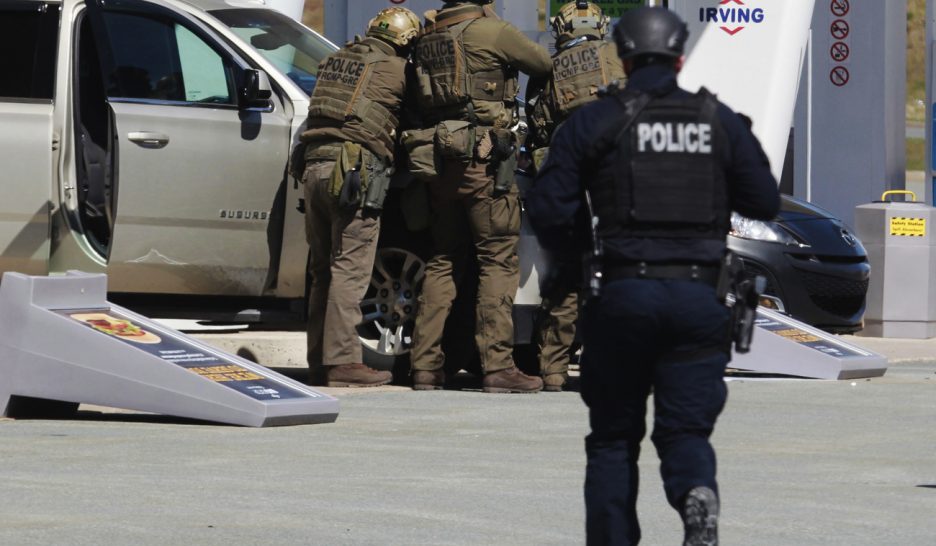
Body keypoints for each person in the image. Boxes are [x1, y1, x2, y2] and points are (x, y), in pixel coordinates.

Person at [526, 7, 780, 545]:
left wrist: (583, 255)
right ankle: (694, 494)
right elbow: (764, 200)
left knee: (614, 438)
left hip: (622, 294)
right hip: (699, 297)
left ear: (622, 55)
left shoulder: (594, 121)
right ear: (681, 57)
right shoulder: (717, 120)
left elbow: (548, 210)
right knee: (685, 429)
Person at [409, 0, 552, 393]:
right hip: (484, 160)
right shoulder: (492, 31)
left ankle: (424, 366)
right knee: (497, 261)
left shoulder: (428, 36)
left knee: (443, 260)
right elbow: (543, 63)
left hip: (438, 162)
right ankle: (498, 367)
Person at [298, 7, 420, 387]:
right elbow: (414, 118)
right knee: (350, 270)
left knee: (322, 271)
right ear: (405, 42)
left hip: (313, 167)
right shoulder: (398, 70)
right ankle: (344, 362)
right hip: (353, 172)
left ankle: (319, 359)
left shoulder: (334, 60)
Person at [524, 1, 625, 392]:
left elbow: (537, 127)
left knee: (566, 272)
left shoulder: (549, 70)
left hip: (566, 174)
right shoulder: (620, 54)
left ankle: (553, 369)